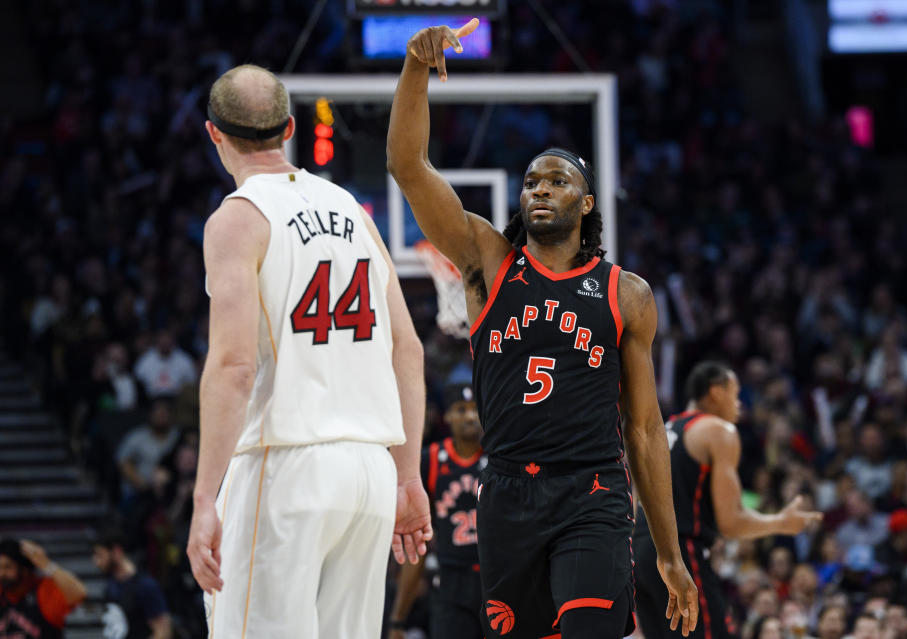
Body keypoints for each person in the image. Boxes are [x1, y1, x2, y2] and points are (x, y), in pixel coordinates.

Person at [387, 21, 698, 639]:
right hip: (506, 492)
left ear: (586, 203)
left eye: (558, 181)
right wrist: (416, 68)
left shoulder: (626, 294)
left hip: (593, 492)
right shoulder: (488, 262)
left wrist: (668, 552)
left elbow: (642, 427)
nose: (540, 190)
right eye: (532, 181)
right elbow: (407, 164)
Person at [185, 64, 431, 638]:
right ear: (290, 127)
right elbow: (408, 349)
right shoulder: (351, 208)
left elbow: (234, 365)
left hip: (288, 464)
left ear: (213, 134)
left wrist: (204, 499)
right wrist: (407, 475)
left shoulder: (238, 218)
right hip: (369, 472)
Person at [633, 362, 822, 639]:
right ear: (716, 392)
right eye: (734, 393)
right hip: (679, 551)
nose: (739, 403)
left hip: (639, 552)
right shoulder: (718, 430)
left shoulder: (665, 428)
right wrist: (781, 522)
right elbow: (731, 522)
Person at [388, 382, 487, 639]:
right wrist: (398, 619)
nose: (470, 416)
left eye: (475, 409)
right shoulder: (430, 459)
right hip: (450, 582)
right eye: (461, 409)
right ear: (447, 416)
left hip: (495, 579)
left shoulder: (499, 457)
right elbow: (417, 538)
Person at [92, 530, 172, 639]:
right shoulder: (110, 586)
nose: (97, 562)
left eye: (100, 555)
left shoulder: (145, 586)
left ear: (116, 551)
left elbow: (163, 632)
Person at [0, 538, 86, 638]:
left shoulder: (43, 590)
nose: (1, 573)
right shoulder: (3, 589)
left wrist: (45, 563)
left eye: (7, 567)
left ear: (24, 569)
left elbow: (79, 593)